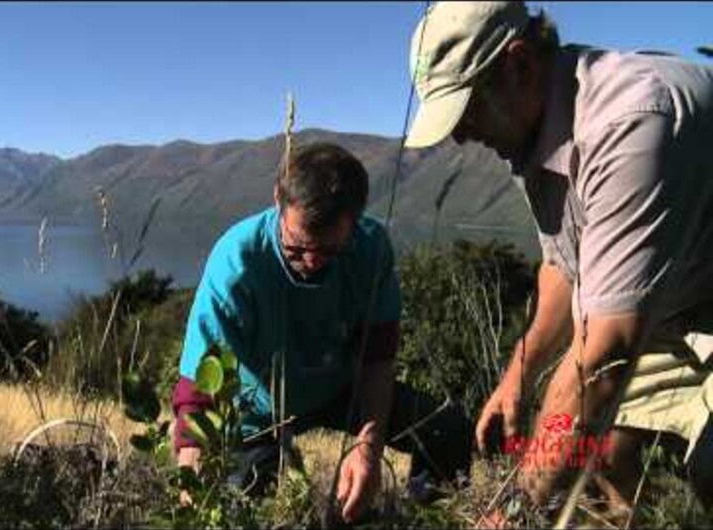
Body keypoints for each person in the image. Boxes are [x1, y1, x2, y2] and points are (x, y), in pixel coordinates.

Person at [404, 0, 713, 521]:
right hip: (672, 296)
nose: (460, 134)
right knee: (599, 454)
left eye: (468, 109)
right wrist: (519, 374)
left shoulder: (628, 124)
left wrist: (519, 507)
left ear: (519, 64)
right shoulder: (534, 132)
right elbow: (562, 266)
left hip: (688, 300)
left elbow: (602, 357)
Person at [171, 142, 473, 523]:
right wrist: (191, 498)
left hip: (341, 390)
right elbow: (199, 393)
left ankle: (422, 521)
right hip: (259, 409)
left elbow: (378, 358)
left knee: (448, 428)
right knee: (241, 499)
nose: (312, 263)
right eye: (296, 249)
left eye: (331, 250)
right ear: (278, 200)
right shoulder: (237, 262)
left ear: (356, 219)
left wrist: (368, 446)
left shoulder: (371, 247)